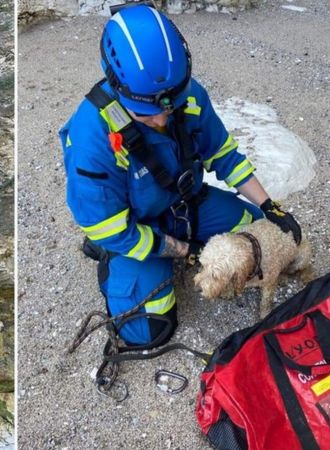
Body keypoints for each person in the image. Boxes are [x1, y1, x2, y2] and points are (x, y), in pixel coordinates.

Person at [59, 4, 301, 348]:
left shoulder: (187, 95)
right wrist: (184, 251)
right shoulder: (91, 138)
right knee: (148, 330)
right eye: (147, 114)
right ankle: (106, 256)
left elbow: (224, 155)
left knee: (254, 231)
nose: (161, 119)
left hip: (184, 203)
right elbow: (110, 225)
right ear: (116, 85)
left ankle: (191, 237)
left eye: (167, 108)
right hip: (134, 227)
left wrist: (271, 207)